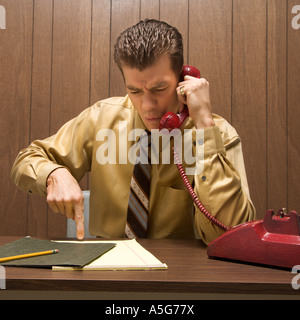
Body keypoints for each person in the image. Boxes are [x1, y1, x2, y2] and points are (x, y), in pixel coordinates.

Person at [11, 19, 255, 244]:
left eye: (160, 88)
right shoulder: (101, 118)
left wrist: (203, 125)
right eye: (135, 91)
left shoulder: (219, 133)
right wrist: (54, 173)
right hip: (107, 269)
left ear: (184, 78)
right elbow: (26, 160)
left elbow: (229, 233)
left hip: (182, 273)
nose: (148, 106)